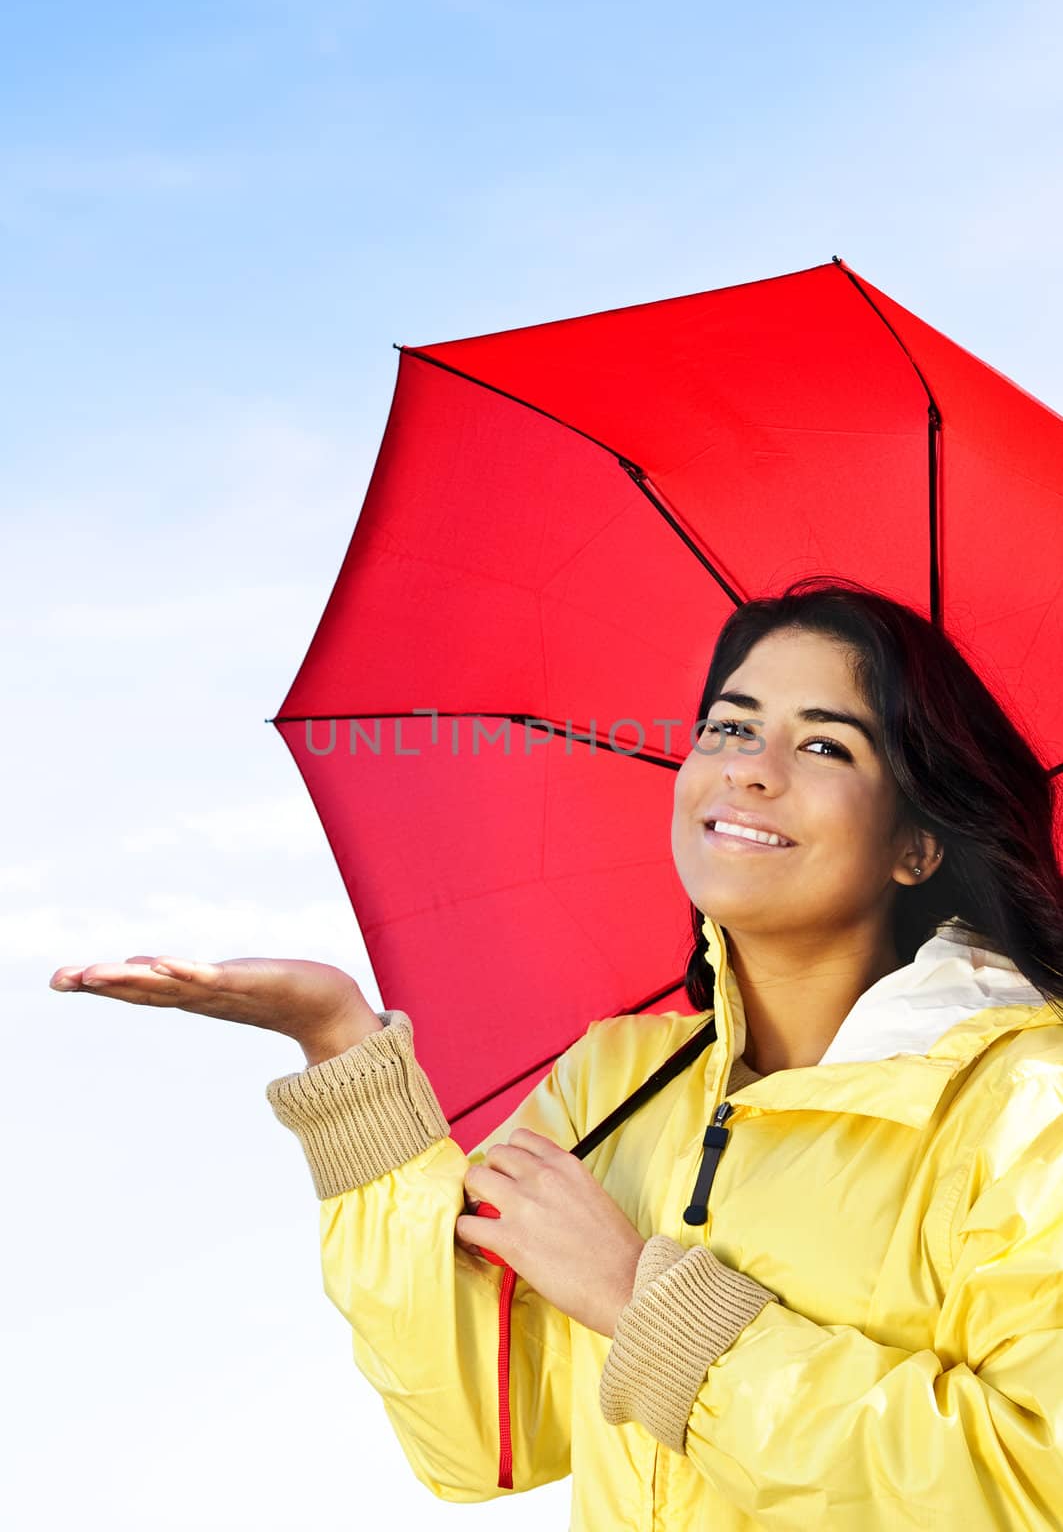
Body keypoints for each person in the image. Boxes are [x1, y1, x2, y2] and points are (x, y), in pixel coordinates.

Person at [50, 578, 1063, 1531]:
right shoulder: (617, 1081)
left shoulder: (1025, 1104)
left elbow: (1025, 1486)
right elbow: (478, 1431)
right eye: (729, 725)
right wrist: (342, 1051)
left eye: (827, 747)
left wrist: (641, 1303)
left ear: (917, 845)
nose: (750, 767)